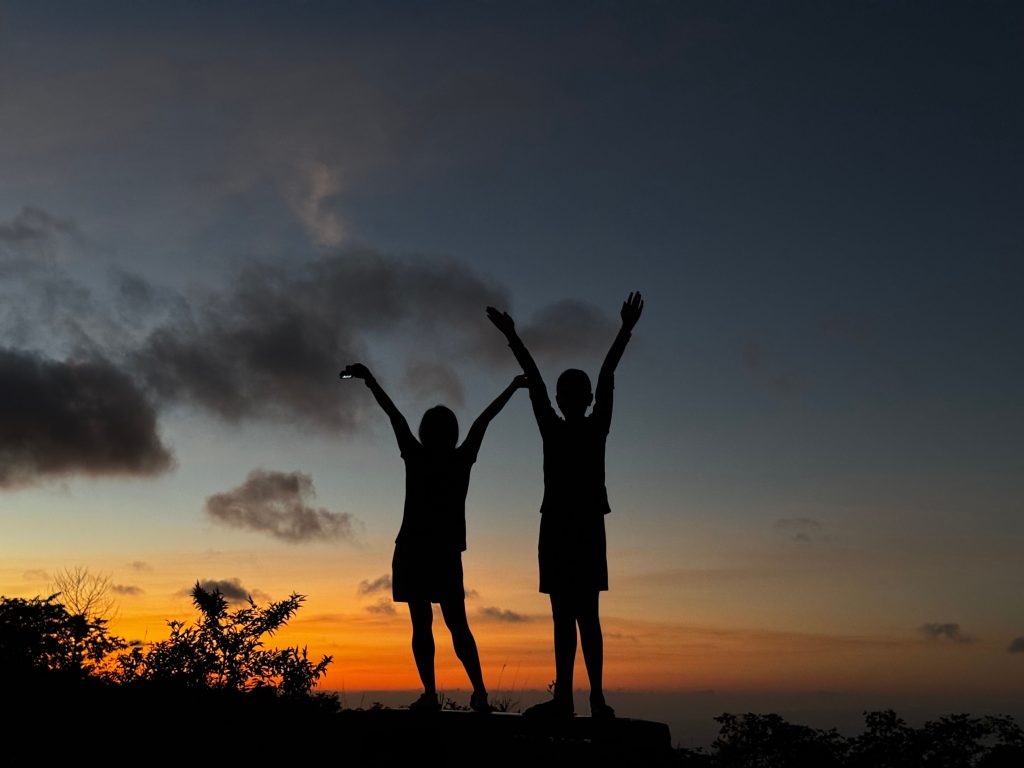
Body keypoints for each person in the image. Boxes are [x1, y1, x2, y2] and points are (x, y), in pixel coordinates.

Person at [486, 291, 644, 719]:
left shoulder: (564, 429)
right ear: (585, 399)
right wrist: (625, 329)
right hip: (578, 525)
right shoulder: (591, 428)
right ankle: (586, 698)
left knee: (569, 617)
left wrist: (514, 338)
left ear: (563, 399)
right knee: (583, 616)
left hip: (563, 525)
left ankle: (577, 699)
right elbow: (603, 373)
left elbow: (537, 378)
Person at [340, 362, 527, 713]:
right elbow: (483, 420)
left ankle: (434, 694)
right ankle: (477, 693)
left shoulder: (418, 455)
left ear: (426, 431)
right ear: (451, 433)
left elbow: (394, 414)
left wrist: (371, 381)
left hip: (414, 549)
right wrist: (512, 387)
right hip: (437, 552)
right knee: (454, 624)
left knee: (425, 625)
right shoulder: (460, 458)